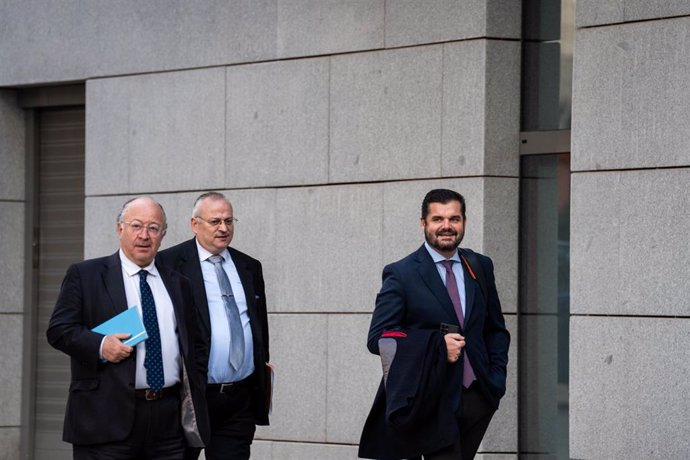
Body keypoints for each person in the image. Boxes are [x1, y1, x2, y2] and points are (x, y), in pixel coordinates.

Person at [46, 196, 210, 459]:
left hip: (168, 421)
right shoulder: (87, 275)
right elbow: (59, 330)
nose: (144, 235)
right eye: (136, 226)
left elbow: (196, 343)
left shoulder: (179, 283)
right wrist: (100, 345)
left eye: (153, 228)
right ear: (120, 229)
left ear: (163, 234)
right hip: (105, 419)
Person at [362, 189, 510, 460]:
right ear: (424, 223)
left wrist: (496, 380)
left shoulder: (480, 265)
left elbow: (495, 328)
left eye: (454, 218)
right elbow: (379, 338)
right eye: (437, 219)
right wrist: (436, 345)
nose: (446, 226)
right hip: (431, 400)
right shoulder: (402, 273)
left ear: (464, 221)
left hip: (478, 396)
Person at [158, 191, 270, 460]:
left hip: (238, 398)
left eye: (229, 221)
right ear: (195, 224)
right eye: (215, 221)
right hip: (189, 397)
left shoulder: (249, 266)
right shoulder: (168, 263)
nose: (223, 228)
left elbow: (258, 326)